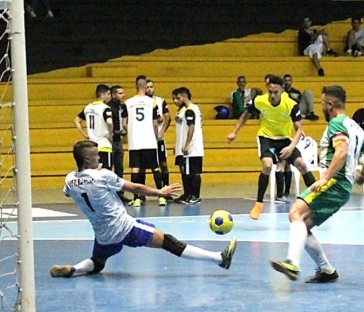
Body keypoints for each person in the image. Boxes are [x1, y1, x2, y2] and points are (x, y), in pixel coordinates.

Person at [49, 141, 236, 277]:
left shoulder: (69, 180)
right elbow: (135, 188)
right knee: (168, 242)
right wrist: (160, 192)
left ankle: (74, 270)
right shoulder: (103, 176)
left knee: (98, 263)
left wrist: (91, 175)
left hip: (103, 234)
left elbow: (70, 191)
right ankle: (219, 258)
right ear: (88, 158)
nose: (100, 158)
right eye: (97, 155)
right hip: (124, 227)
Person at [270, 85, 364, 282]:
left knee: (295, 213)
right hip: (344, 189)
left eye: (321, 104)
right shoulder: (357, 129)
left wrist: (325, 178)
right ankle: (327, 270)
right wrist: (363, 173)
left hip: (334, 182)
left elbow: (341, 151)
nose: (320, 109)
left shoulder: (336, 124)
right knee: (303, 227)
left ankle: (292, 263)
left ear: (329, 105)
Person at [227, 75, 316, 218]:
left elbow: (299, 129)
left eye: (276, 92)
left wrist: (291, 147)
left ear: (282, 90)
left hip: (284, 139)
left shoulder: (291, 104)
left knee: (301, 164)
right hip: (266, 138)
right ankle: (258, 204)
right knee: (267, 166)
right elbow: (245, 116)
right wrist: (234, 132)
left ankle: (317, 200)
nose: (272, 95)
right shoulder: (259, 101)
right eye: (270, 92)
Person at [125, 75, 164, 206]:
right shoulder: (151, 102)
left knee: (136, 169)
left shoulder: (128, 102)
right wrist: (155, 136)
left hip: (135, 140)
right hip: (149, 140)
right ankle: (161, 196)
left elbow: (124, 123)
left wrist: (131, 130)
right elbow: (155, 122)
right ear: (144, 86)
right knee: (155, 167)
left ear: (135, 86)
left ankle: (136, 198)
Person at [172, 87, 204, 204]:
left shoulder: (191, 110)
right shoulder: (183, 110)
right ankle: (187, 194)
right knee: (184, 171)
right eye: (173, 99)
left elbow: (191, 127)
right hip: (182, 148)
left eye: (177, 98)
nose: (175, 101)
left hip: (192, 148)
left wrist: (187, 145)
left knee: (193, 172)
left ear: (184, 97)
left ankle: (195, 196)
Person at [74, 84, 114, 169]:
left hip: (92, 147)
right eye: (108, 94)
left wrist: (85, 135)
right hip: (104, 145)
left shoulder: (88, 108)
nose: (109, 97)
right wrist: (110, 135)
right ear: (102, 95)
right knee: (106, 174)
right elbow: (109, 122)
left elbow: (77, 121)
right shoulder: (105, 108)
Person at [145, 79, 171, 188]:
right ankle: (141, 194)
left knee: (163, 164)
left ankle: (166, 188)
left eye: (151, 87)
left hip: (159, 139)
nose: (150, 89)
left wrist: (162, 131)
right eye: (147, 87)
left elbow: (168, 117)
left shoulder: (160, 101)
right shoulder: (141, 102)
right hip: (146, 139)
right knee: (146, 166)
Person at [108, 85, 129, 201]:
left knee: (119, 167)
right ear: (113, 95)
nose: (123, 95)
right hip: (110, 140)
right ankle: (109, 193)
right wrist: (116, 132)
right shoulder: (109, 107)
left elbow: (125, 120)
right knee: (109, 167)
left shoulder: (123, 107)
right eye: (120, 93)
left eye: (123, 93)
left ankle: (120, 193)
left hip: (119, 140)